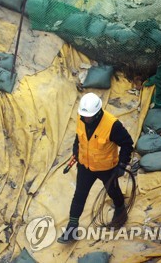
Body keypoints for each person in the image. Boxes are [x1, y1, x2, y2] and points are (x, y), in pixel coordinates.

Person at [57, 92, 134, 244]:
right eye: (84, 116)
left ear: (98, 113)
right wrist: (76, 151)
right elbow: (79, 137)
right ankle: (72, 229)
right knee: (79, 195)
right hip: (85, 166)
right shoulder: (82, 118)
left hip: (106, 168)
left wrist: (122, 164)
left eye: (89, 117)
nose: (86, 119)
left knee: (113, 191)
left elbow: (127, 143)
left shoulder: (112, 125)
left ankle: (120, 210)